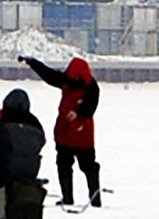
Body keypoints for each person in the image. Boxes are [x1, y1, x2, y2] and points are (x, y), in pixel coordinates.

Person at [18, 53, 100, 207]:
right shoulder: (67, 81)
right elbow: (49, 75)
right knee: (64, 165)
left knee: (88, 167)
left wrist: (78, 113)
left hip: (82, 133)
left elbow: (91, 105)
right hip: (65, 131)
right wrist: (33, 62)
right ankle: (67, 197)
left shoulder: (91, 88)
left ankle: (95, 199)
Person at [0, 89, 50, 219]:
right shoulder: (34, 122)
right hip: (30, 167)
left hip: (5, 165)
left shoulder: (0, 117)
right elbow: (42, 141)